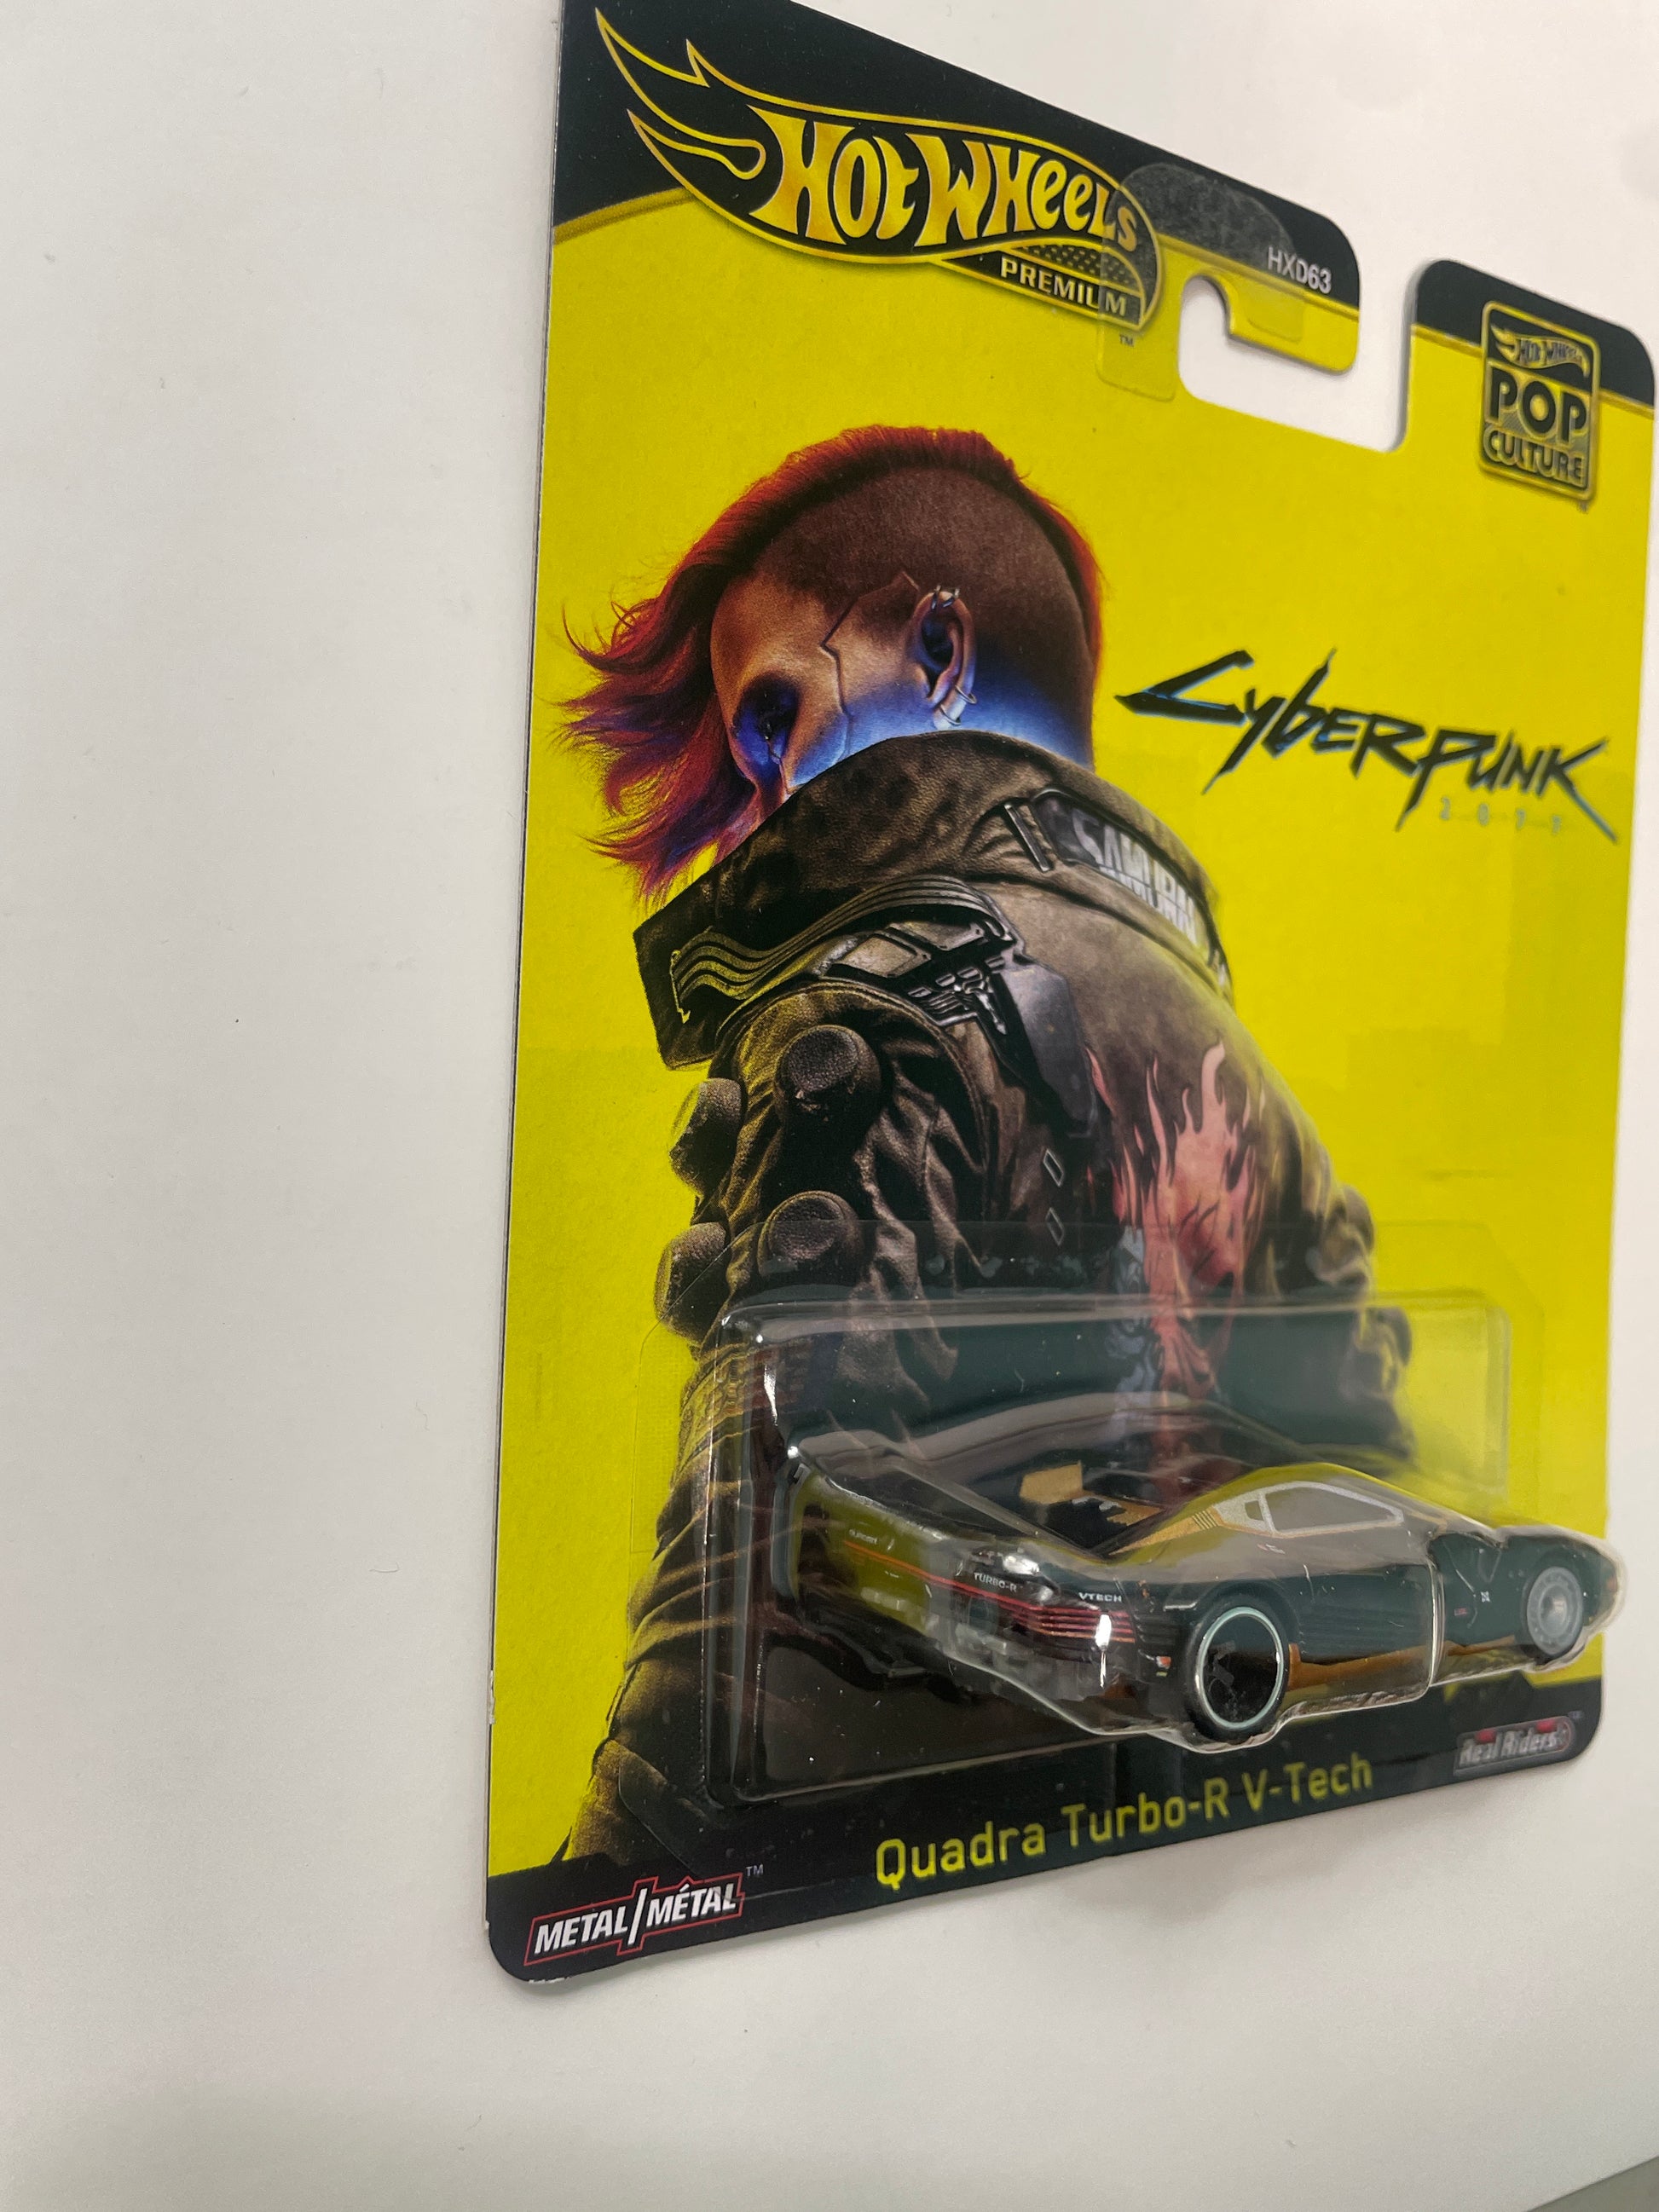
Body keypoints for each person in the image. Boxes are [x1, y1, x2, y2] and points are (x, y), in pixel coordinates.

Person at [558, 424, 1408, 1865]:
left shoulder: (880, 1003)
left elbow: (733, 1660)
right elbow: (1367, 1527)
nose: (764, 790)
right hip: (1194, 1823)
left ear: (938, 652)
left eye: (774, 717)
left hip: (905, 1860)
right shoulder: (1251, 1074)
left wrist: (607, 1905)